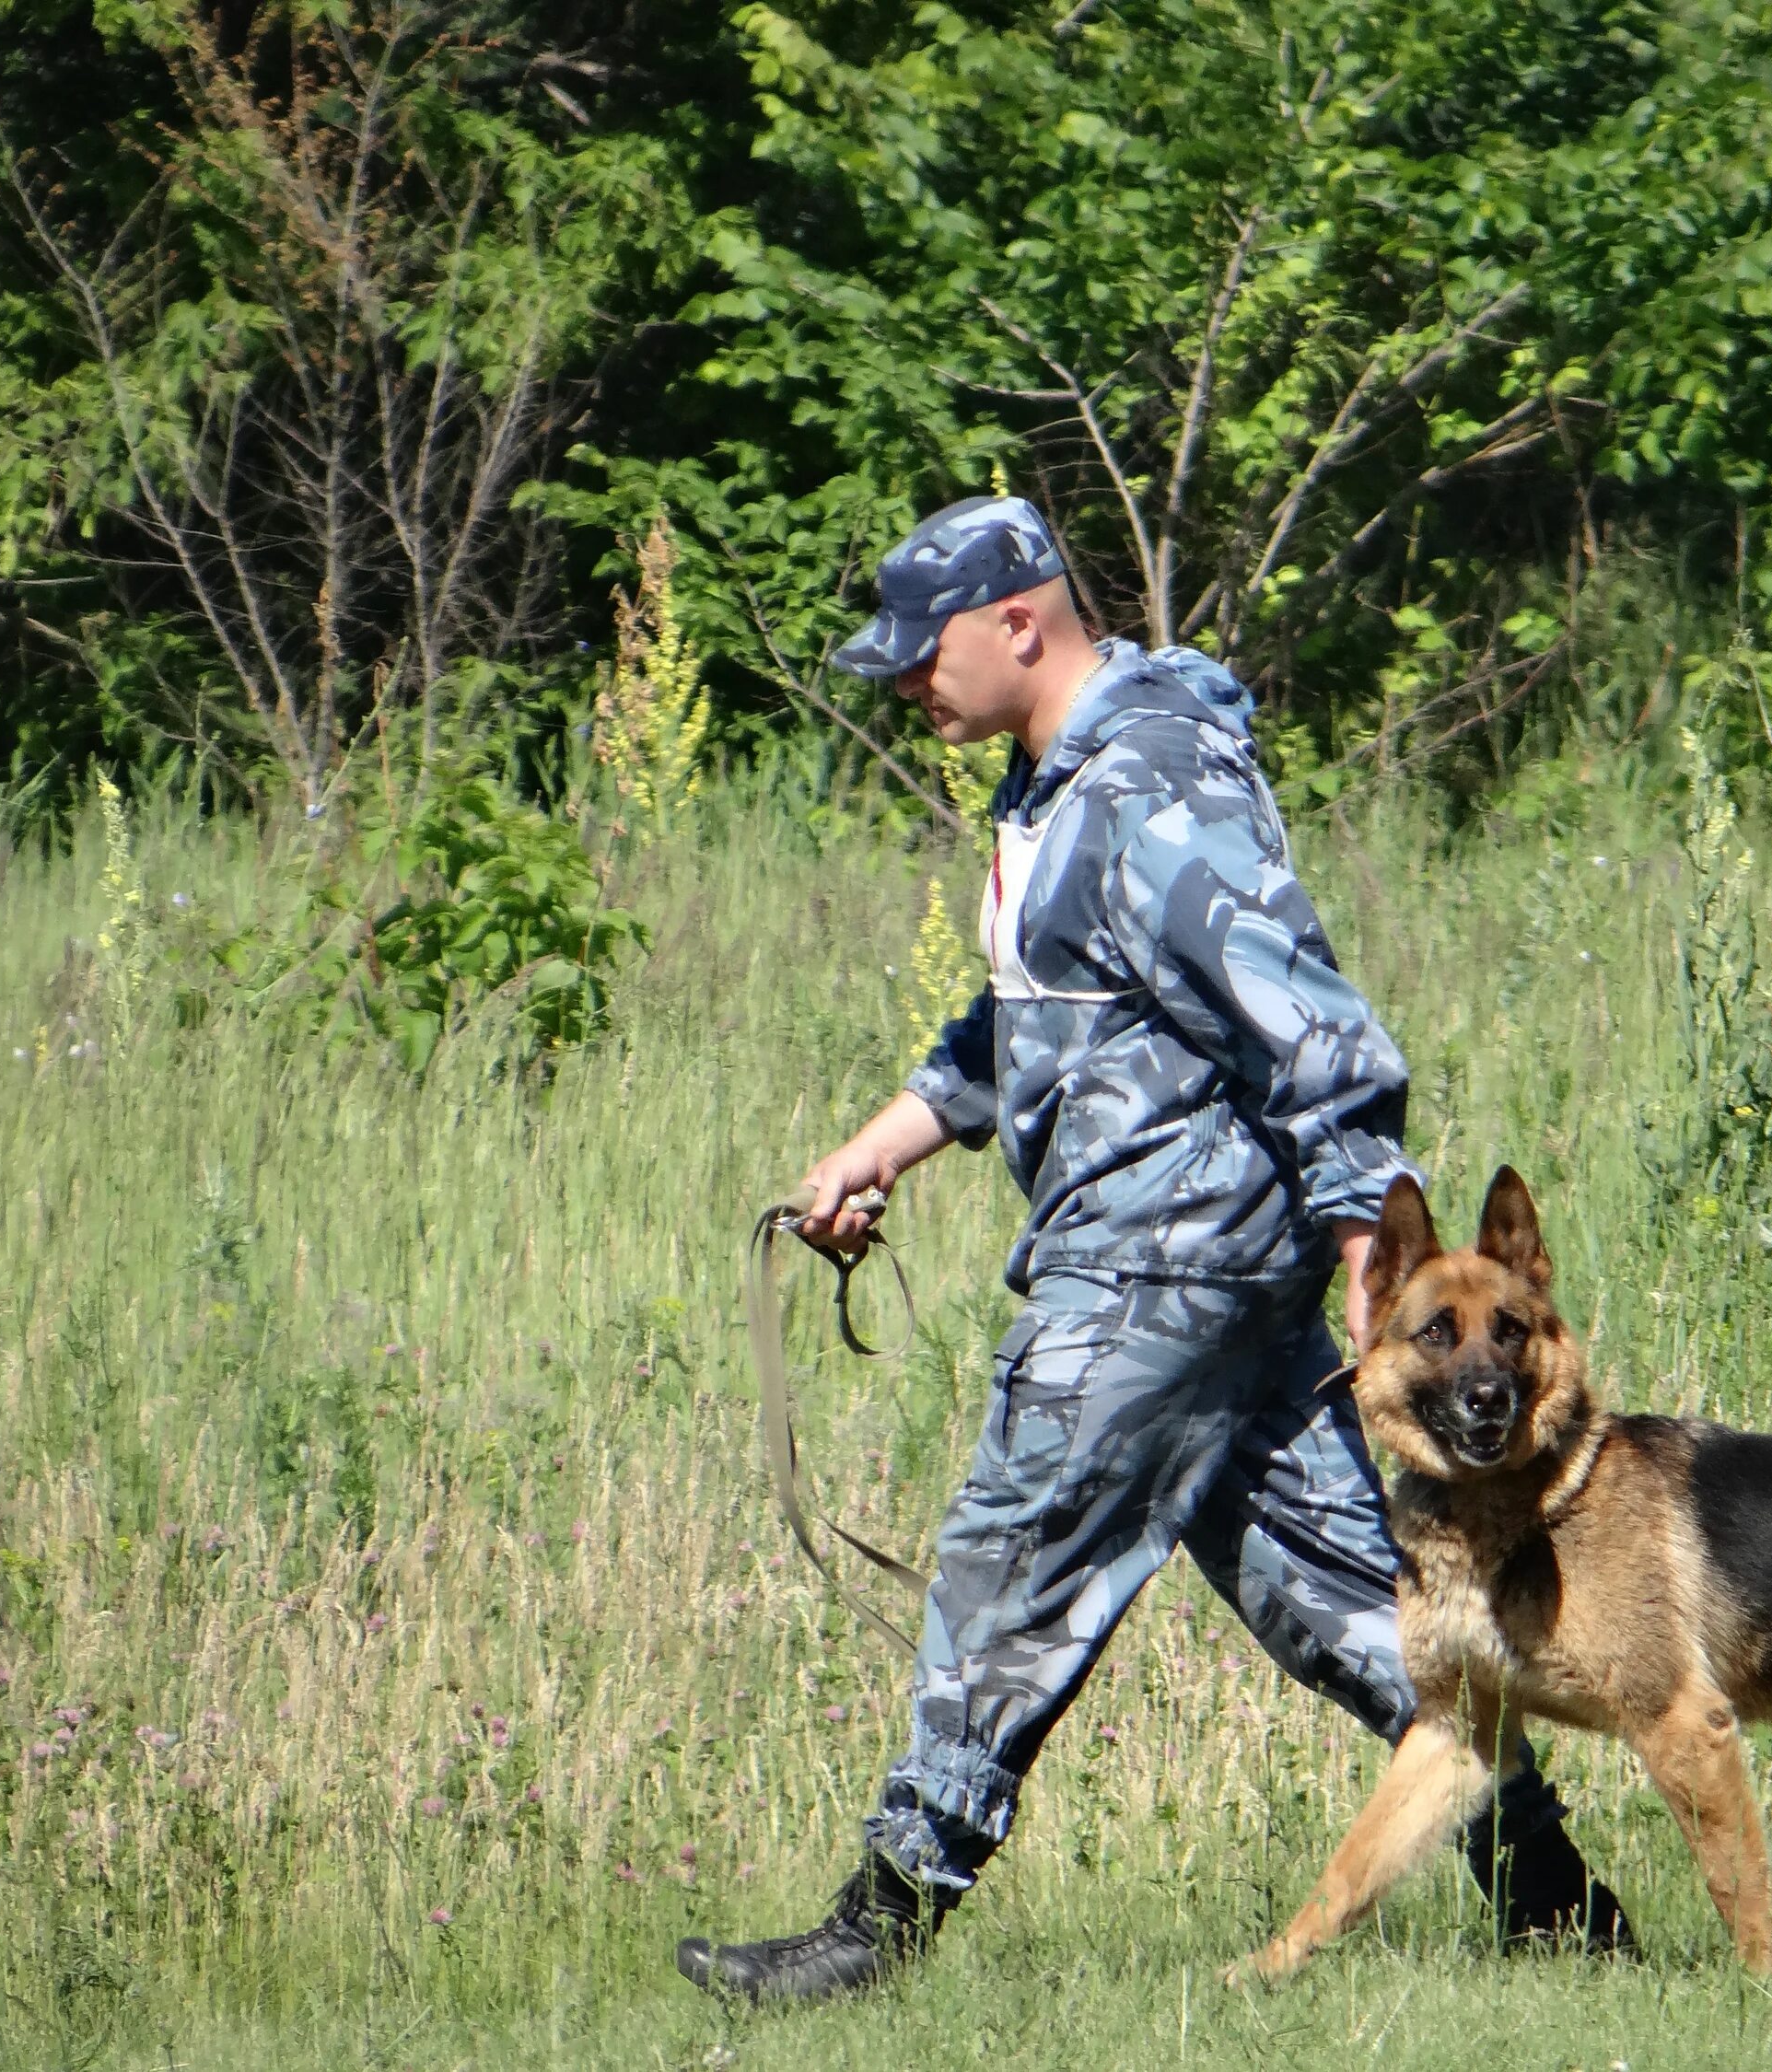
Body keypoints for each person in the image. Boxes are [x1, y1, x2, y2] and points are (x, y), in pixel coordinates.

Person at [675, 496, 1628, 2003]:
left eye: (921, 655)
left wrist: (1361, 1223)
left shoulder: (1156, 782)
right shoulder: (1049, 786)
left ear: (1019, 623)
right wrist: (881, 1146)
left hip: (1156, 1265)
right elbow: (1025, 1023)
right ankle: (1560, 1901)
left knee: (1011, 1553)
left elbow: (1310, 1020)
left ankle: (880, 1924)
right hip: (1202, 1281)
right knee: (1349, 1593)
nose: (904, 684)